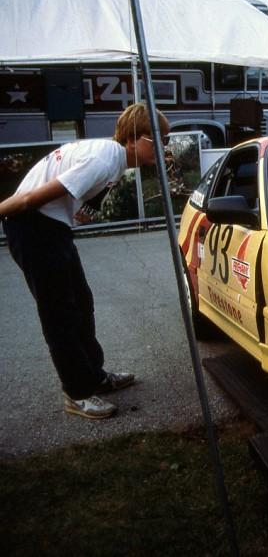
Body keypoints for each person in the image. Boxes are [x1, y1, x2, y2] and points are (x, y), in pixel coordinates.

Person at [0, 102, 169, 419]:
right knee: (59, 312)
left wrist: (84, 212)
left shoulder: (115, 161)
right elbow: (27, 199)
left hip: (52, 226)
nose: (163, 146)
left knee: (81, 301)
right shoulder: (103, 160)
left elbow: (87, 200)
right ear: (133, 138)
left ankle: (95, 376)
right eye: (157, 138)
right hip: (32, 224)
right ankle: (76, 393)